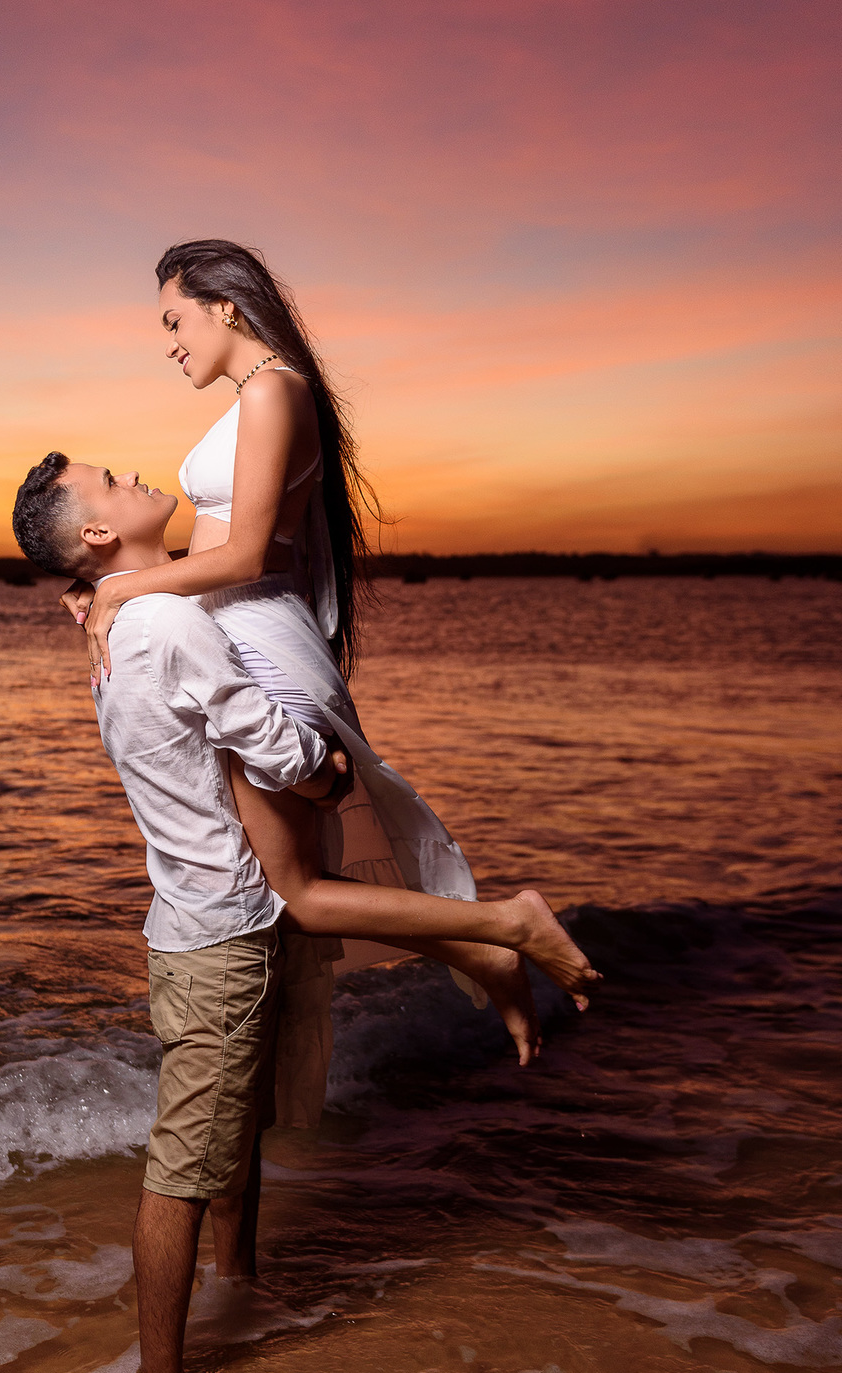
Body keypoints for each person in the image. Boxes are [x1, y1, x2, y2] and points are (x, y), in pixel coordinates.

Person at [11, 460, 596, 1373]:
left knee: (233, 1131)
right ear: (92, 534)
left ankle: (240, 1284)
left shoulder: (129, 613)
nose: (130, 473)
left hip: (225, 912)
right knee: (182, 1167)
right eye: (109, 481)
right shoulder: (160, 619)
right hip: (217, 936)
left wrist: (99, 596)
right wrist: (326, 774)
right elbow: (262, 735)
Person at [58, 241, 600, 1100]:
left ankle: (507, 925)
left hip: (260, 644)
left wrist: (125, 593)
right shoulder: (263, 395)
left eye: (174, 320)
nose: (169, 342)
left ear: (224, 306)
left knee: (300, 894)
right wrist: (115, 593)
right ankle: (489, 949)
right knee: (296, 890)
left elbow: (239, 555)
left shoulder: (274, 391)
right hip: (248, 638)